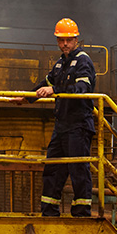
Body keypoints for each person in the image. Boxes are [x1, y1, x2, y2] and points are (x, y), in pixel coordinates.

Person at [13, 18, 96, 217]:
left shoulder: (83, 61)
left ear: (76, 39)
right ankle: (49, 210)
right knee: (53, 169)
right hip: (62, 126)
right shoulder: (60, 64)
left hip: (78, 125)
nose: (64, 44)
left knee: (78, 168)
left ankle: (81, 212)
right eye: (60, 40)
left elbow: (83, 88)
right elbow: (45, 83)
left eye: (68, 40)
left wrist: (55, 90)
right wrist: (27, 98)